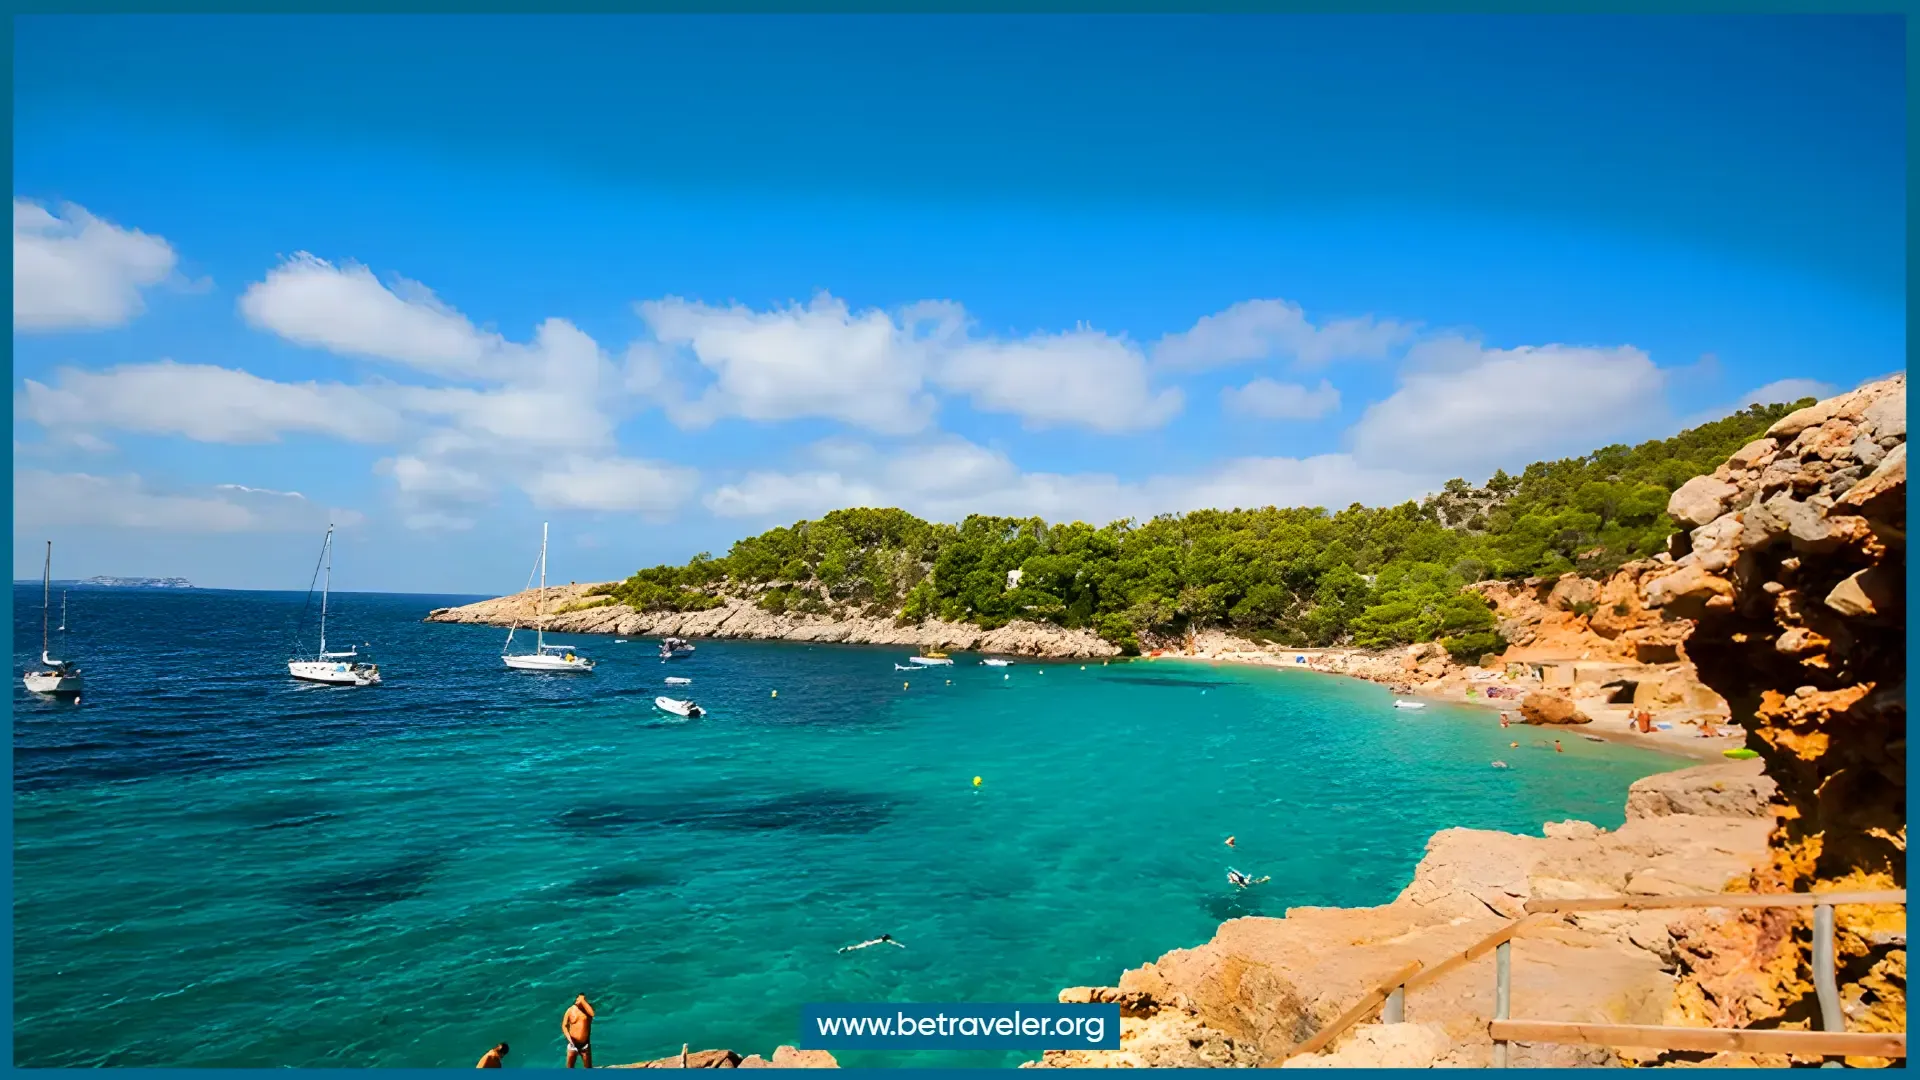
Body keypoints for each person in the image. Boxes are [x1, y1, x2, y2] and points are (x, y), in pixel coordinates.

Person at [564, 995, 595, 1069]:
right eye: (578, 999)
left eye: (582, 999)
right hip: (572, 1044)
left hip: (584, 1045)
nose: (578, 1001)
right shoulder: (570, 1010)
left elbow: (592, 1014)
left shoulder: (587, 1011)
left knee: (588, 1067)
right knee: (569, 1067)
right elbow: (564, 1026)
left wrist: (583, 1000)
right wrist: (569, 1039)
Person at [840, 934, 905, 952]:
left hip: (868, 944)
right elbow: (893, 942)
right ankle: (844, 950)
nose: (882, 935)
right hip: (869, 943)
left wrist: (900, 945)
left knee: (855, 947)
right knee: (855, 948)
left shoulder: (882, 939)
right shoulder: (885, 940)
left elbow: (892, 942)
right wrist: (901, 945)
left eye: (883, 935)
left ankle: (843, 950)